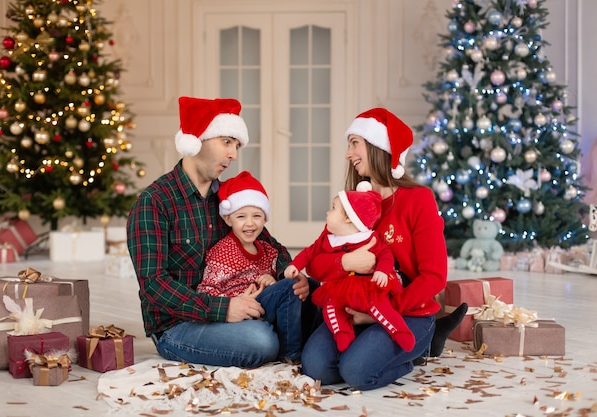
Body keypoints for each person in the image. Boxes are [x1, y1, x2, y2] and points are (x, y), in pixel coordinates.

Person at [127, 96, 309, 368]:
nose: (233, 154)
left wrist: (288, 272)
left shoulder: (228, 199)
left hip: (241, 303)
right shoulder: (154, 201)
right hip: (178, 326)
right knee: (261, 342)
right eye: (226, 142)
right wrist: (223, 309)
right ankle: (289, 337)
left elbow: (272, 246)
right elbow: (154, 285)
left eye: (236, 145)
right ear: (197, 139)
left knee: (309, 290)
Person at [300, 107, 467, 390]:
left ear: (378, 147)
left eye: (355, 143)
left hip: (408, 312)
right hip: (352, 307)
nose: (347, 154)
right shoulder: (352, 203)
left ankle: (421, 347)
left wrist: (379, 313)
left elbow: (434, 277)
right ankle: (376, 350)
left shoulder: (418, 200)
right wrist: (346, 263)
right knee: (316, 368)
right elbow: (315, 263)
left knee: (356, 372)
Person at [284, 182, 414, 353]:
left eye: (332, 208)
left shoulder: (369, 238)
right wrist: (295, 264)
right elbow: (310, 252)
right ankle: (342, 332)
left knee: (379, 307)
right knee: (331, 307)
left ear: (348, 218)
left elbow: (385, 254)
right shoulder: (329, 238)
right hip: (341, 289)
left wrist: (382, 270)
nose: (327, 212)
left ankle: (399, 330)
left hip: (367, 287)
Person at [197, 170, 302, 362]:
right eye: (241, 217)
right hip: (238, 311)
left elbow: (276, 278)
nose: (250, 223)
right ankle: (291, 354)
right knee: (289, 287)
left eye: (256, 216)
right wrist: (233, 301)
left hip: (262, 305)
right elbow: (206, 289)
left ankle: (303, 340)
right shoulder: (223, 252)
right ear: (228, 219)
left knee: (302, 285)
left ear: (265, 218)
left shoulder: (268, 250)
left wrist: (272, 279)